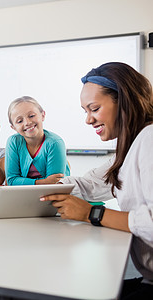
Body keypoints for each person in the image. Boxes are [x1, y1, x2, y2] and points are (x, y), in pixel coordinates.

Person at [41, 62, 153, 299]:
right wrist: (47, 190)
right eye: (85, 111)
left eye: (94, 108)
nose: (88, 120)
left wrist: (93, 214)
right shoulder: (131, 146)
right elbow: (90, 184)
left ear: (124, 101)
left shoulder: (149, 139)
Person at [5, 96, 70, 185]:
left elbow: (54, 184)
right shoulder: (13, 142)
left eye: (31, 116)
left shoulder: (55, 143)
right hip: (24, 195)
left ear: (42, 115)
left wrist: (23, 182)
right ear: (13, 127)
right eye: (20, 121)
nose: (27, 122)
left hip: (54, 195)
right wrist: (43, 182)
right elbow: (11, 181)